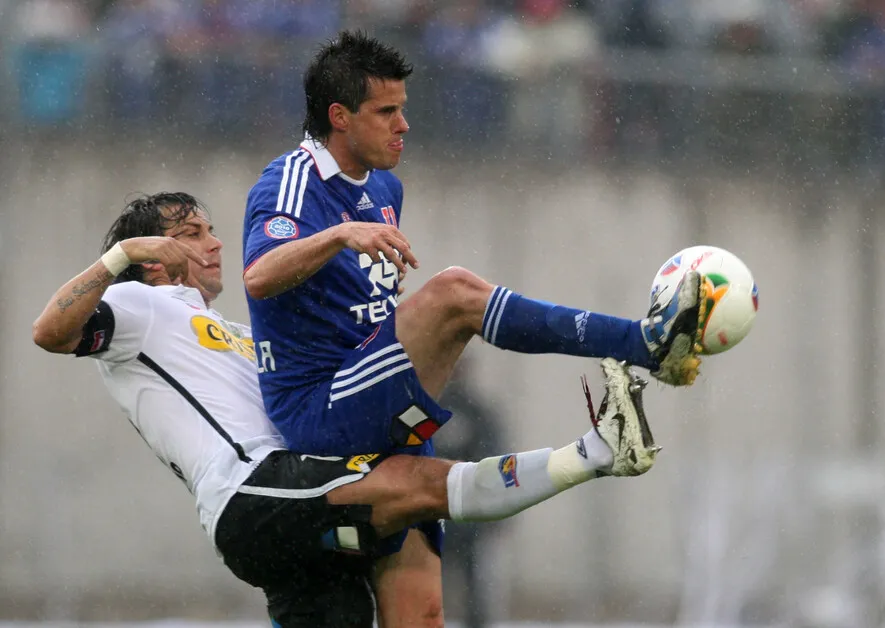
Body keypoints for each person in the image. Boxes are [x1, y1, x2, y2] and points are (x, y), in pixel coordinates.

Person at [34, 192, 666, 628]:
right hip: (249, 494)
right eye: (191, 234)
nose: (216, 242)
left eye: (211, 229)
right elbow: (50, 332)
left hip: (292, 503)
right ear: (152, 253)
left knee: (412, 583)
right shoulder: (138, 309)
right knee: (417, 485)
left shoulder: (232, 330)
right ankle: (597, 452)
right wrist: (120, 260)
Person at [242, 30, 705, 624]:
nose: (403, 125)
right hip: (321, 406)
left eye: (403, 109)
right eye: (387, 111)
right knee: (456, 294)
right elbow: (258, 276)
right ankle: (643, 343)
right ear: (339, 116)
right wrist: (337, 236)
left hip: (371, 392)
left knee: (426, 616)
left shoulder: (384, 187)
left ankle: (602, 443)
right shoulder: (290, 182)